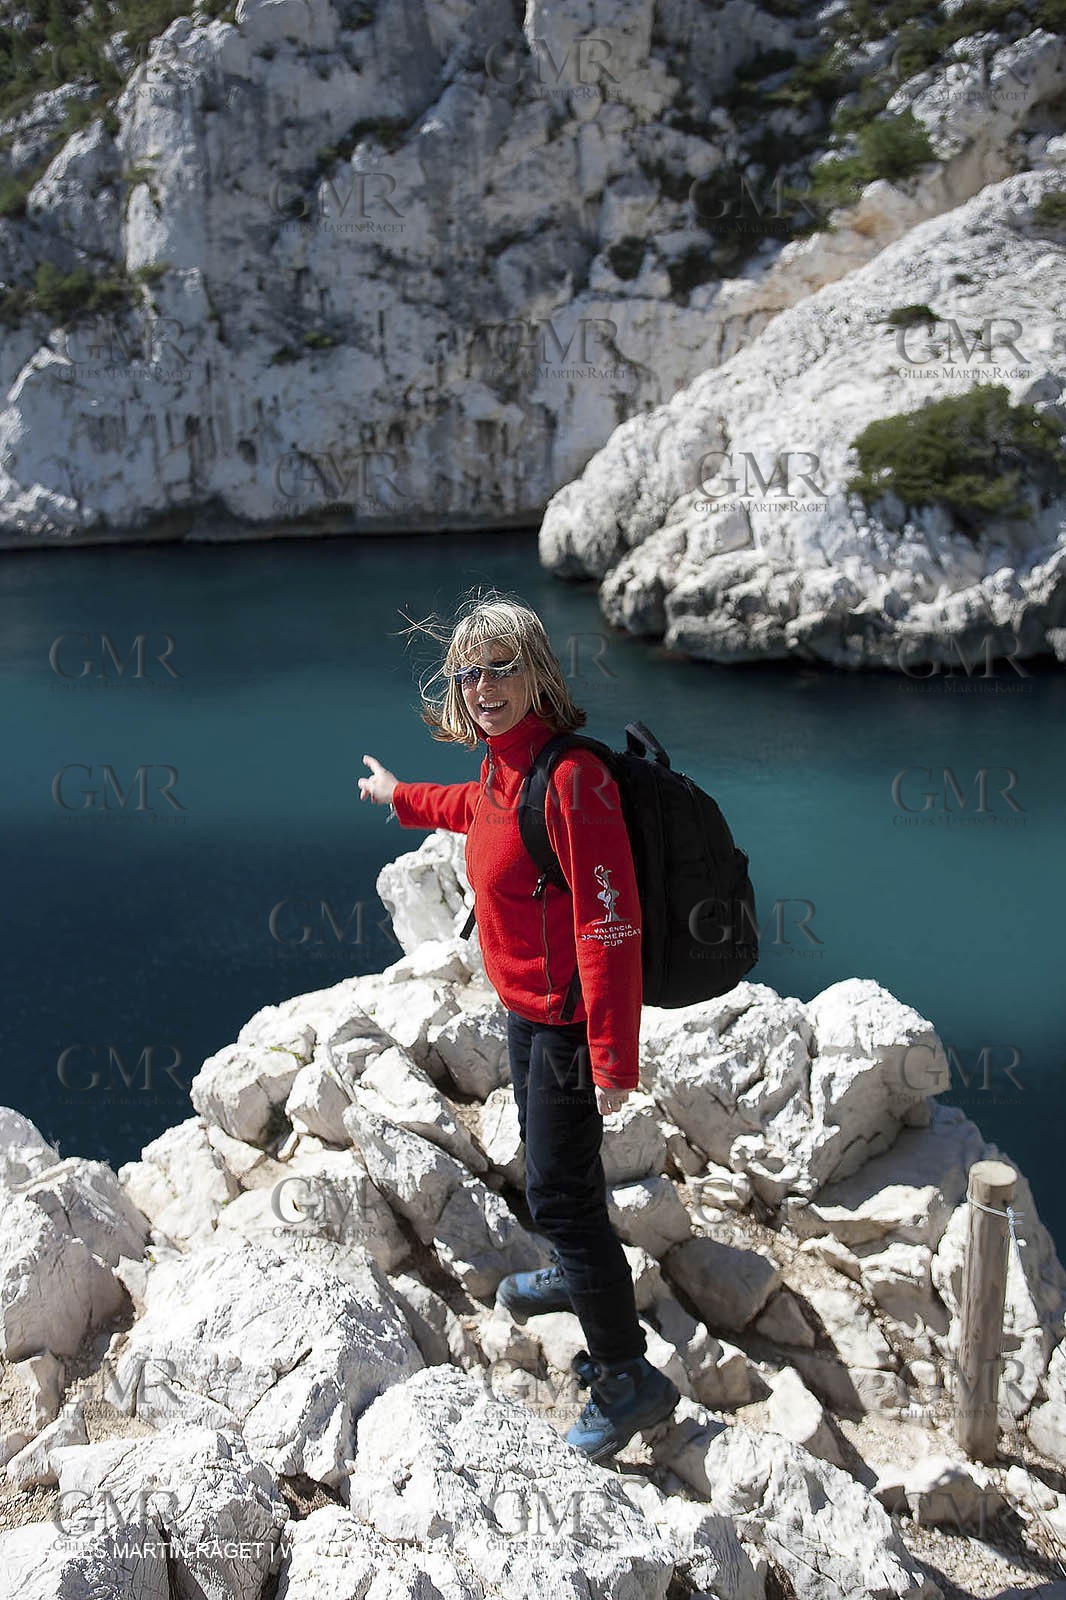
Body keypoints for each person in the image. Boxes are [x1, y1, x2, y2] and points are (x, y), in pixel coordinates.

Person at [358, 592, 680, 1462]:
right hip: (527, 1010)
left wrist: (612, 1059)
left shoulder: (572, 780)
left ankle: (628, 1378)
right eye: (469, 672)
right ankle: (577, 1273)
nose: (483, 685)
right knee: (551, 1170)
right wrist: (398, 795)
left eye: (501, 667)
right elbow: (474, 807)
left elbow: (609, 924)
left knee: (560, 1195)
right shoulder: (507, 768)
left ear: (537, 672)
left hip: (569, 1024)